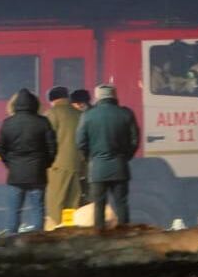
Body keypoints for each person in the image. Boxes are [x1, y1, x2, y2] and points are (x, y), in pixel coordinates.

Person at [75, 84, 139, 232]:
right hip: (120, 167)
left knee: (99, 205)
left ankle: (100, 236)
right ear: (114, 96)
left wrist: (90, 158)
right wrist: (125, 157)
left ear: (98, 97)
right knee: (121, 203)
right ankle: (125, 235)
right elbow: (134, 140)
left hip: (97, 168)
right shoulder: (126, 114)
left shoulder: (88, 115)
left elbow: (80, 142)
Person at [0, 88, 56, 233]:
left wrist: (10, 164)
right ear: (35, 104)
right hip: (37, 172)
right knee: (38, 208)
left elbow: (0, 148)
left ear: (15, 105)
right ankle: (39, 238)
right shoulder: (43, 122)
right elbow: (52, 147)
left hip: (15, 174)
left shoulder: (8, 123)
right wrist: (45, 164)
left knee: (14, 209)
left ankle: (12, 237)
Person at [44, 86, 83, 227]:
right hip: (77, 164)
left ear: (52, 100)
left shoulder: (51, 114)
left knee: (56, 202)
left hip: (57, 166)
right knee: (72, 202)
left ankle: (54, 232)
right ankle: (69, 229)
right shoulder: (79, 114)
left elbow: (46, 140)